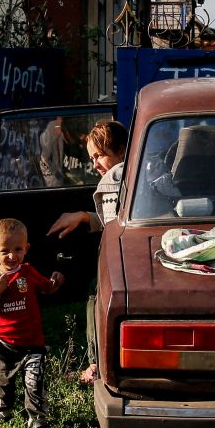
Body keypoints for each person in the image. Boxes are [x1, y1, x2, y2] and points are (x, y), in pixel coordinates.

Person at [47, 120, 129, 383]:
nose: (95, 164)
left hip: (124, 261)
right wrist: (84, 216)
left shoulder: (116, 176)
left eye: (100, 155)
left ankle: (97, 366)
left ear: (123, 151)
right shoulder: (135, 174)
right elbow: (116, 220)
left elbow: (116, 226)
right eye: (92, 157)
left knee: (97, 296)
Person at [0, 218, 65, 428]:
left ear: (26, 248)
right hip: (2, 343)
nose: (12, 256)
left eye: (17, 249)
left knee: (35, 383)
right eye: (4, 251)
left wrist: (55, 283)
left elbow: (46, 288)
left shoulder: (27, 272)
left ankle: (38, 421)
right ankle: (1, 412)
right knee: (3, 382)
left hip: (32, 341)